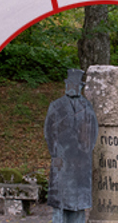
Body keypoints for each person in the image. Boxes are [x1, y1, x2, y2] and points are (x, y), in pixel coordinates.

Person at [44, 68, 98, 223]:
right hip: (61, 160)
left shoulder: (87, 107)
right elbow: (49, 132)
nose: (73, 87)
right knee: (61, 202)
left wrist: (86, 152)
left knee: (78, 203)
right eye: (70, 84)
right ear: (67, 85)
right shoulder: (56, 106)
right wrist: (55, 154)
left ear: (80, 87)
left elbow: (93, 131)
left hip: (81, 162)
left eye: (76, 85)